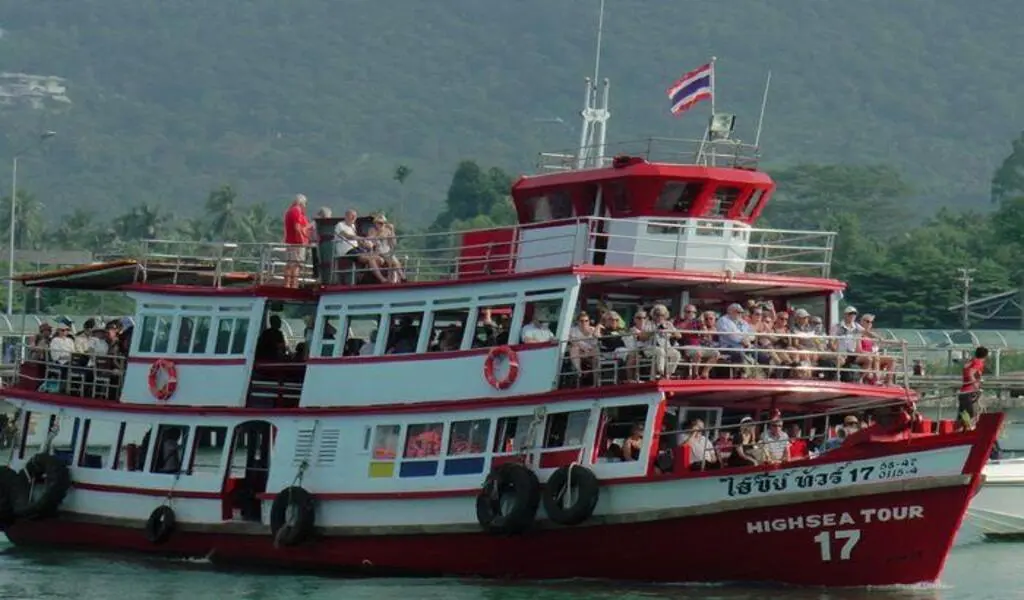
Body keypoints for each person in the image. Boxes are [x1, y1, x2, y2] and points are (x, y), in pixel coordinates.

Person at [283, 194, 311, 288]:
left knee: (292, 264)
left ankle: (290, 284)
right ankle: (292, 284)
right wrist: (302, 241)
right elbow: (297, 228)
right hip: (296, 243)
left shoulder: (291, 211)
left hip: (293, 242)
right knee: (295, 265)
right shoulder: (296, 211)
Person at [958, 346, 989, 431]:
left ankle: (963, 430)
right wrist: (976, 386)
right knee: (971, 414)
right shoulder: (978, 362)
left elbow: (965, 368)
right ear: (986, 356)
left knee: (963, 415)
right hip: (970, 392)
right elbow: (970, 373)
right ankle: (970, 430)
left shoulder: (971, 361)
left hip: (963, 392)